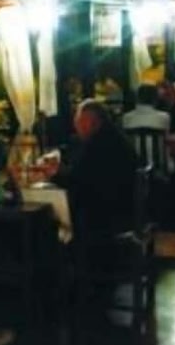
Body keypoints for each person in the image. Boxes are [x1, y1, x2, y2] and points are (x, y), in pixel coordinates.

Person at [44, 100, 138, 242]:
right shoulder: (112, 135)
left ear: (92, 121)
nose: (76, 127)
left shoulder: (99, 144)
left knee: (50, 213)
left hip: (106, 211)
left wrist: (53, 174)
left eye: (79, 122)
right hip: (122, 203)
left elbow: (78, 180)